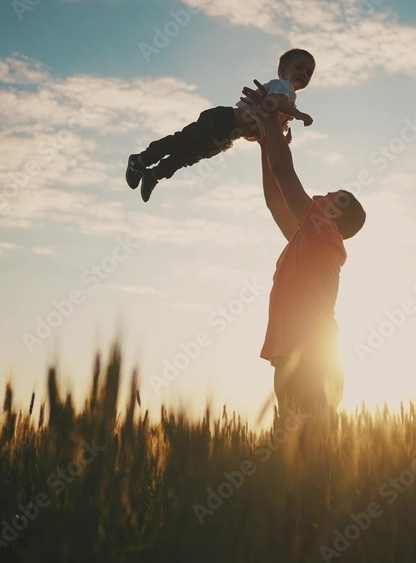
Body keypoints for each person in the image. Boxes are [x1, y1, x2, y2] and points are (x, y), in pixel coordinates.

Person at [241, 81, 366, 412]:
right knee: (296, 454)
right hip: (295, 357)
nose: (324, 195)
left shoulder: (324, 236)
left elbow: (285, 174)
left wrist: (269, 119)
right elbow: (276, 203)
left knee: (308, 448)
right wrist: (267, 142)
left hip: (311, 359)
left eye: (335, 199)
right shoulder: (307, 240)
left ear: (335, 219)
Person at [126, 49, 316, 202]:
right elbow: (273, 102)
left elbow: (267, 128)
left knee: (189, 155)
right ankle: (141, 160)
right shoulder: (282, 87)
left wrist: (282, 140)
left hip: (228, 135)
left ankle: (154, 174)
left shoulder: (289, 102)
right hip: (222, 120)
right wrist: (298, 114)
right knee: (181, 142)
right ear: (283, 70)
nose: (304, 74)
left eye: (309, 73)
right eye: (299, 68)